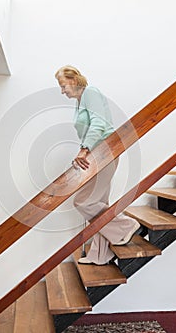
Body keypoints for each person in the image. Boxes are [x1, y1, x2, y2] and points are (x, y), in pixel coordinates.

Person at [55, 65, 140, 265]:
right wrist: (83, 152)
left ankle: (126, 225)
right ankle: (100, 254)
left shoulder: (90, 93)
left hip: (105, 152)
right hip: (96, 154)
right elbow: (88, 131)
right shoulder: (81, 101)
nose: (62, 91)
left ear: (74, 80)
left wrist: (84, 149)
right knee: (100, 203)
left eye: (62, 85)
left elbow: (99, 124)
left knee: (84, 202)